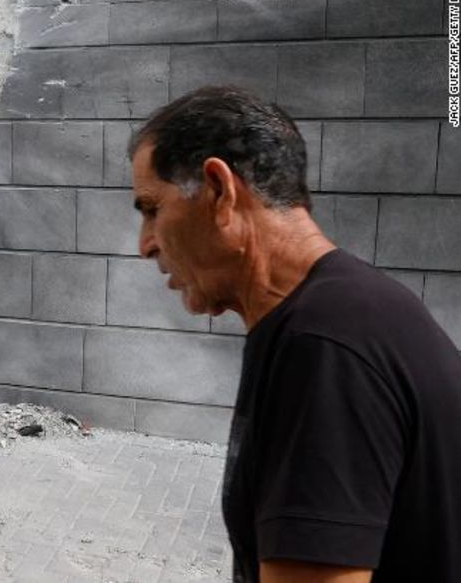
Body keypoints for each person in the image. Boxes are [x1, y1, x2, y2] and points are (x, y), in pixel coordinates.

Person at [128, 86, 461, 583]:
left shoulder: (325, 349)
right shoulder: (347, 311)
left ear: (219, 191)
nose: (145, 245)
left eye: (152, 209)